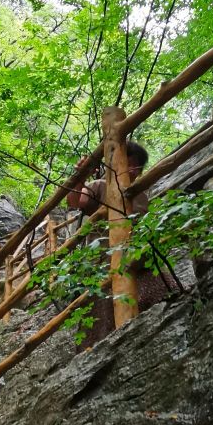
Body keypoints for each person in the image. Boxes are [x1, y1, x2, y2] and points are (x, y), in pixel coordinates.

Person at [65, 140, 169, 347]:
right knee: (103, 314)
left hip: (135, 258)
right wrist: (80, 176)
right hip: (103, 261)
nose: (132, 170)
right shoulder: (100, 185)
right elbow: (76, 202)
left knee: (160, 294)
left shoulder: (141, 195)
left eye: (137, 167)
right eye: (128, 163)